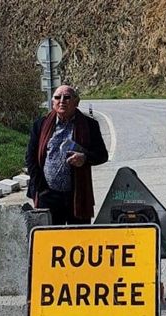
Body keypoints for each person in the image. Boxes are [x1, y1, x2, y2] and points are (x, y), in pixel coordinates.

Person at [26, 85, 108, 225]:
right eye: (57, 97)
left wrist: (85, 158)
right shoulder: (41, 125)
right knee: (50, 241)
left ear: (76, 102)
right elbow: (31, 158)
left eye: (67, 97)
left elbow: (102, 155)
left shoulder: (89, 125)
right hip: (48, 195)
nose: (62, 101)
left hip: (77, 196)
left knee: (79, 241)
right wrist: (38, 190)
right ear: (52, 102)